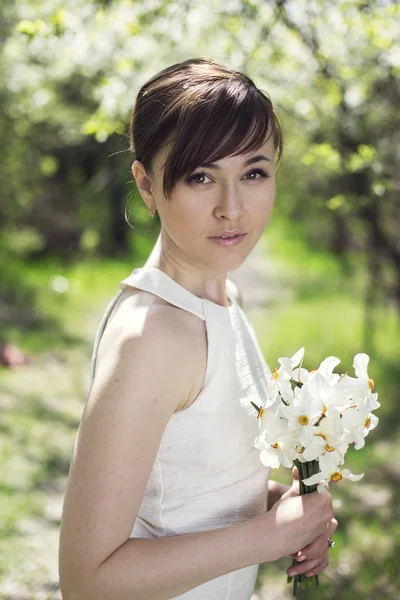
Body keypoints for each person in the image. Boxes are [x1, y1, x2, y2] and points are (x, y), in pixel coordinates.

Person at [58, 57, 337, 600]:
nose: (231, 209)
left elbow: (185, 490)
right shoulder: (154, 336)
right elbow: (86, 581)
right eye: (201, 176)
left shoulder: (220, 298)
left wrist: (280, 506)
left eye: (253, 173)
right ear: (146, 185)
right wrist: (264, 536)